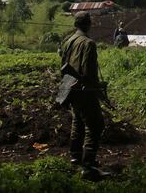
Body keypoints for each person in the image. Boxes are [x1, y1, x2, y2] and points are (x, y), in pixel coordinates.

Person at [59, 12, 109, 181]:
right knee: (95, 125)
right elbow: (89, 72)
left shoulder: (68, 41)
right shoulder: (89, 43)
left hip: (71, 89)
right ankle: (89, 168)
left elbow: (63, 67)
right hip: (84, 90)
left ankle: (75, 156)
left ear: (76, 24)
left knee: (78, 121)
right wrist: (97, 88)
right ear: (89, 24)